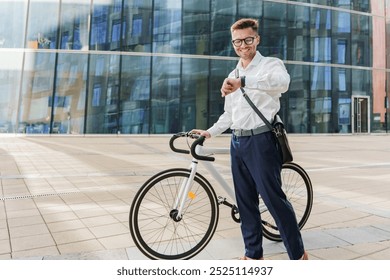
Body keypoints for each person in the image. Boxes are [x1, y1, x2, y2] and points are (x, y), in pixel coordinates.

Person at [191, 18, 307, 260]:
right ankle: (253, 255)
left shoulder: (271, 65)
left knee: (275, 201)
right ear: (233, 43)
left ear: (257, 39)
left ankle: (298, 255)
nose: (243, 45)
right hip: (238, 142)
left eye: (248, 39)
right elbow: (229, 114)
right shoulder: (232, 73)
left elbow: (283, 83)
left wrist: (244, 81)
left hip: (262, 141)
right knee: (245, 203)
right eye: (237, 41)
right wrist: (210, 132)